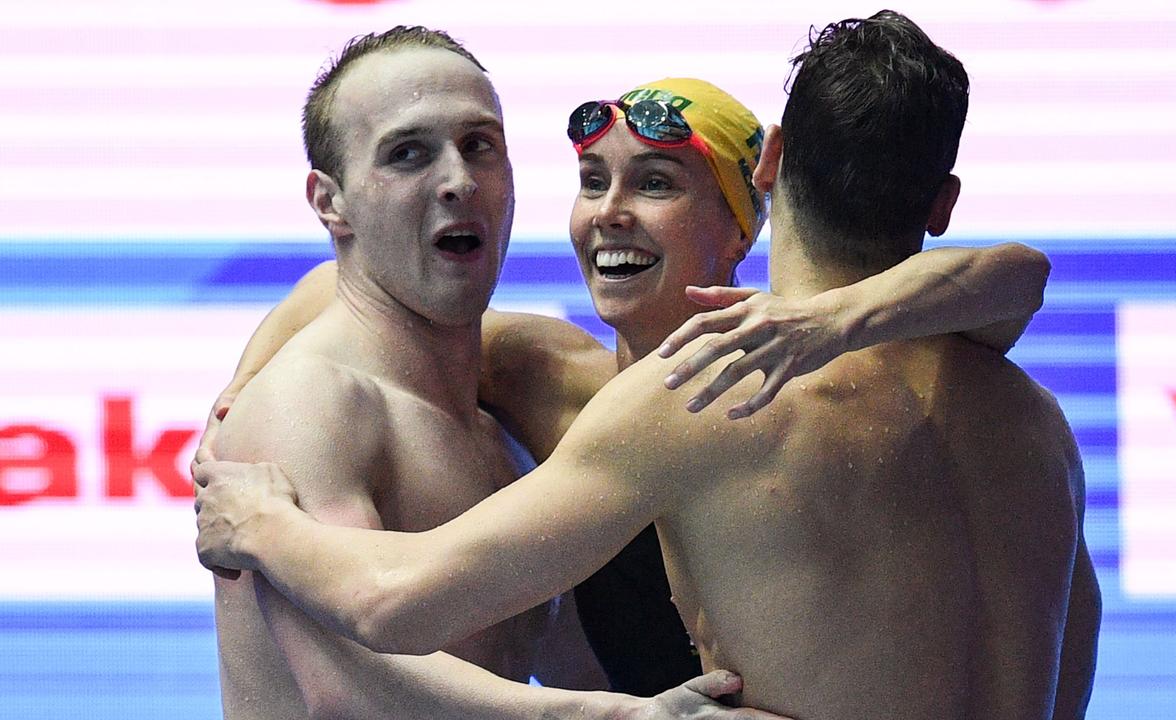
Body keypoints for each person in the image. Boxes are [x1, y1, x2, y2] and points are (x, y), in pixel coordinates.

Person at [196, 11, 1099, 720]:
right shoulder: (1039, 431)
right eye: (593, 182)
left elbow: (392, 604)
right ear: (941, 204)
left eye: (658, 183)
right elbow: (370, 285)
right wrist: (244, 391)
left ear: (766, 178)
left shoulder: (691, 402)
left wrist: (259, 522)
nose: (613, 212)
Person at [204, 24, 798, 720]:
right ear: (330, 202)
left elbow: (555, 660)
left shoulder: (513, 422)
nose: (457, 180)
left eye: (479, 146)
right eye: (408, 155)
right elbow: (353, 690)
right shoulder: (313, 405)